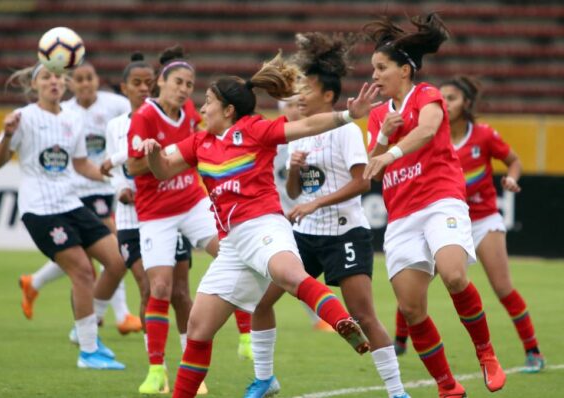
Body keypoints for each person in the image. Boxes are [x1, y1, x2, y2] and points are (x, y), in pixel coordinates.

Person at [139, 52, 379, 398]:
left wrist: (347, 116)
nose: (202, 109)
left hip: (264, 225)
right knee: (198, 328)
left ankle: (341, 321)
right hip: (233, 243)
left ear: (228, 110)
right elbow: (162, 169)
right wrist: (151, 153)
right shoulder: (199, 142)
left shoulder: (253, 130)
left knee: (291, 276)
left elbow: (306, 125)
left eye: (207, 102)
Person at [244, 33, 408, 398]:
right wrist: (294, 171)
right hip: (305, 237)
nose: (299, 95)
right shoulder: (298, 135)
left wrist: (315, 204)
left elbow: (362, 183)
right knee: (261, 303)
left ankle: (398, 392)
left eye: (308, 88)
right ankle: (265, 378)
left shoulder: (346, 130)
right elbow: (293, 193)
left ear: (330, 97)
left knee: (363, 316)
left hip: (346, 234)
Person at [361, 14, 507, 398]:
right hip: (402, 215)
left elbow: (426, 130)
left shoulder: (427, 95)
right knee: (411, 310)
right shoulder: (379, 115)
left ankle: (485, 351)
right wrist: (383, 139)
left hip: (440, 199)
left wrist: (390, 149)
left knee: (454, 275)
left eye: (381, 68)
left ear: (405, 70)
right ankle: (447, 386)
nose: (374, 75)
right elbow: (371, 169)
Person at [393, 76, 545, 373]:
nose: (445, 103)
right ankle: (399, 341)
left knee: (502, 287)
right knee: (415, 281)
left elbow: (514, 161)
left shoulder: (484, 135)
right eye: (442, 98)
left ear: (466, 103)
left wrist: (512, 178)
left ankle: (533, 352)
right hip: (443, 221)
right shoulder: (429, 135)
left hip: (482, 219)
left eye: (452, 98)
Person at [126, 45, 251, 395]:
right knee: (161, 288)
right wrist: (161, 155)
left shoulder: (190, 112)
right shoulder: (145, 117)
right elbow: (133, 166)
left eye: (189, 84)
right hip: (156, 212)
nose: (184, 89)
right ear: (161, 82)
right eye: (178, 82)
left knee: (234, 251)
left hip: (191, 202)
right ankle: (156, 370)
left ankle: (246, 335)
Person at [0, 63, 126, 369]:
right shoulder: (23, 117)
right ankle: (89, 351)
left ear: (64, 85)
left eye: (57, 77)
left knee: (118, 260)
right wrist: (5, 137)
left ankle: (86, 330)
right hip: (39, 210)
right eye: (45, 77)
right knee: (81, 270)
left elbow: (80, 165)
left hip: (71, 203)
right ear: (35, 85)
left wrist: (109, 177)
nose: (53, 82)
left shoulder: (72, 118)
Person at [18, 62, 142, 336]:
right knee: (103, 254)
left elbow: (138, 120)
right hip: (76, 192)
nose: (85, 83)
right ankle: (118, 316)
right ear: (71, 84)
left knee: (92, 257)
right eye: (79, 79)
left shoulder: (115, 104)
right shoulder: (62, 112)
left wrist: (117, 174)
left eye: (89, 78)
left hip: (102, 186)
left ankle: (35, 283)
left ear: (97, 80)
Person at [275, 96, 333, 333]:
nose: (295, 109)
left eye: (299, 104)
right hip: (276, 217)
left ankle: (321, 318)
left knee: (300, 272)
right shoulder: (274, 141)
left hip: (305, 216)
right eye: (288, 105)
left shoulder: (314, 139)